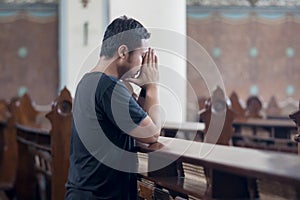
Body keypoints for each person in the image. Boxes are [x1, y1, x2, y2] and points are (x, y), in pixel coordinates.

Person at [65, 15, 161, 200]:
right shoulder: (109, 86)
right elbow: (151, 133)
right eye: (142, 56)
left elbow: (137, 128)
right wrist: (153, 85)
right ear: (123, 52)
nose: (144, 63)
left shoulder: (89, 81)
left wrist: (143, 91)